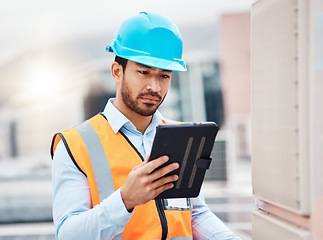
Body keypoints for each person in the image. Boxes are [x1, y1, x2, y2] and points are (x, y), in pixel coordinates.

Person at [51, 12, 240, 240]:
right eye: (144, 72)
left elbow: (195, 214)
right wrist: (125, 200)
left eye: (164, 76)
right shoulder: (74, 145)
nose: (155, 87)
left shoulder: (182, 136)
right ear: (117, 72)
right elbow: (68, 235)